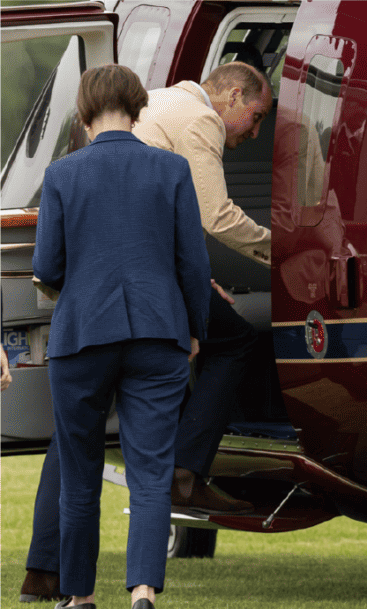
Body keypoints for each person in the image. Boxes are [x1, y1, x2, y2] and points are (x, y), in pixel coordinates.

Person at [20, 61, 271, 604]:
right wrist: (195, 331)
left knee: (81, 474)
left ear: (85, 113)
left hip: (82, 336)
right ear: (138, 108)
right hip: (158, 335)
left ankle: (79, 598)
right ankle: (142, 595)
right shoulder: (171, 170)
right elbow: (190, 262)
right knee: (153, 474)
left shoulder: (63, 175)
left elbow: (48, 265)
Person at [132, 61, 272, 513]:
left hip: (136, 262)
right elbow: (216, 214)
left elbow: (169, 206)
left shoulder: (158, 101)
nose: (254, 133)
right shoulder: (201, 118)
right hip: (153, 268)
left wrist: (197, 273)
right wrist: (283, 249)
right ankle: (187, 470)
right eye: (256, 116)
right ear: (231, 96)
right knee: (235, 340)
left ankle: (177, 465)